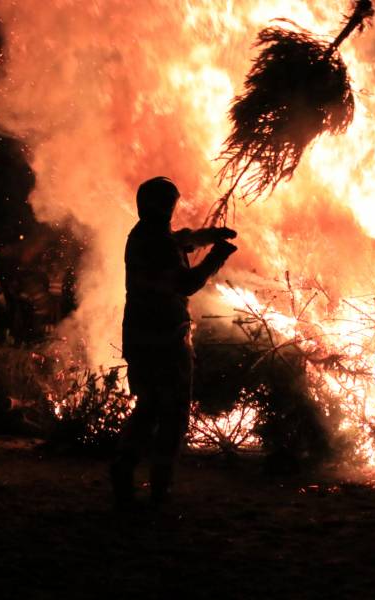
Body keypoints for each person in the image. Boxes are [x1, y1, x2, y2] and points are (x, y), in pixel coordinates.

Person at [111, 176, 237, 508]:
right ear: (163, 205)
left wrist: (210, 236)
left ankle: (123, 474)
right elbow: (187, 284)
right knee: (172, 414)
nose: (172, 209)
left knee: (148, 409)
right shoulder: (158, 243)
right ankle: (159, 488)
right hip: (165, 340)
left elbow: (184, 240)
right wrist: (218, 256)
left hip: (140, 338)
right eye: (170, 203)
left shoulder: (143, 236)